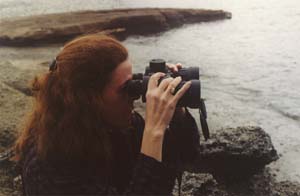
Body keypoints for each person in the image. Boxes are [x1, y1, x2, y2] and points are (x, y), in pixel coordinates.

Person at [14, 34, 200, 195]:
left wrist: (176, 111)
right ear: (88, 99)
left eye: (133, 82)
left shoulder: (116, 126)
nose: (133, 96)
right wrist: (154, 131)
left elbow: (186, 154)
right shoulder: (48, 163)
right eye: (124, 88)